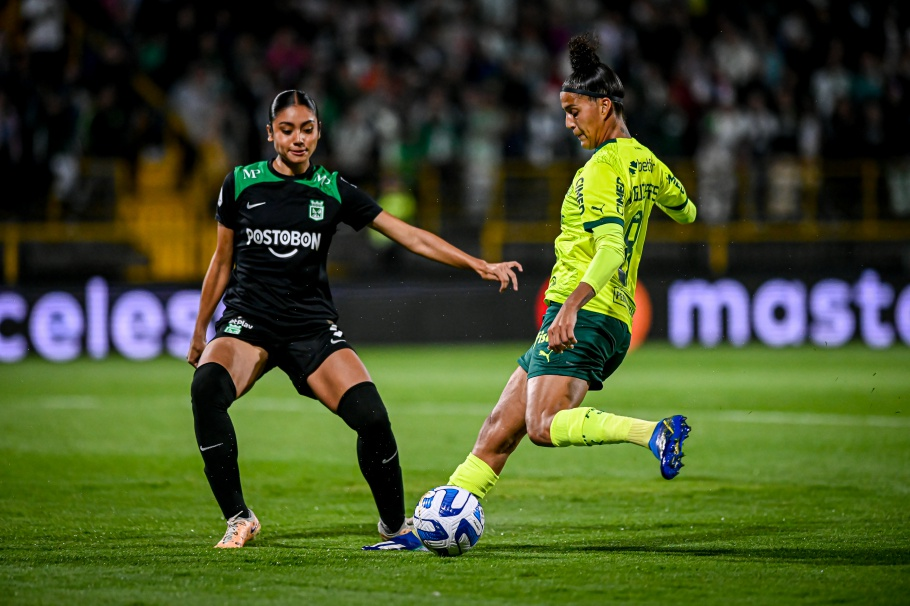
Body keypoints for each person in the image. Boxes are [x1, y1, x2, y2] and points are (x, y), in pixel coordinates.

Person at [370, 33, 695, 551]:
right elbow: (687, 209)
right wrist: (652, 191)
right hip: (608, 317)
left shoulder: (601, 170)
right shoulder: (645, 162)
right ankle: (433, 526)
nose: (568, 122)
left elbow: (610, 248)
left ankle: (652, 433)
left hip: (584, 315)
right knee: (501, 428)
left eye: (573, 110)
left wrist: (569, 306)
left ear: (603, 106)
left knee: (542, 424)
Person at [187, 89, 522, 549]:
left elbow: (408, 235)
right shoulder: (240, 183)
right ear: (270, 134)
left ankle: (394, 526)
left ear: (319, 132)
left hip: (311, 326)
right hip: (249, 322)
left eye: (307, 129)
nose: (298, 139)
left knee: (372, 417)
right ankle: (238, 517)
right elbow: (221, 262)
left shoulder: (333, 189)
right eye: (287, 130)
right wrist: (200, 328)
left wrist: (478, 265)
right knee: (206, 389)